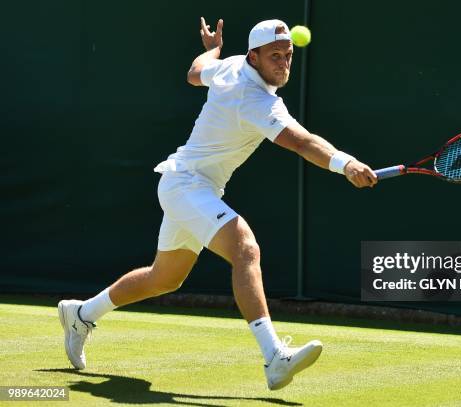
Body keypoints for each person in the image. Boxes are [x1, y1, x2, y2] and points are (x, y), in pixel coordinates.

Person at [58, 17, 378, 391]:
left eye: (288, 55)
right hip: (186, 185)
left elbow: (195, 72)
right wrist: (347, 164)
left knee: (163, 278)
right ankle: (274, 356)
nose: (283, 63)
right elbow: (302, 142)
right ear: (254, 58)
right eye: (274, 56)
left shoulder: (229, 66)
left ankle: (81, 313)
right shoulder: (254, 99)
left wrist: (212, 47)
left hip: (193, 186)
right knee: (246, 248)